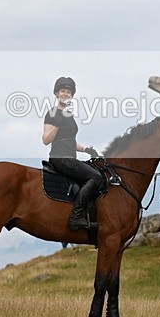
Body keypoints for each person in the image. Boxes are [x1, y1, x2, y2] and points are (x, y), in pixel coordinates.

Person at [43, 76, 104, 231]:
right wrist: (56, 124)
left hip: (70, 156)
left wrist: (86, 149)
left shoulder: (68, 115)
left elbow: (69, 140)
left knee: (97, 171)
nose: (65, 94)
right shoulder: (53, 113)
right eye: (62, 91)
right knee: (95, 177)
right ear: (56, 93)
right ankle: (76, 217)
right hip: (60, 158)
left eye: (68, 91)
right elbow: (46, 139)